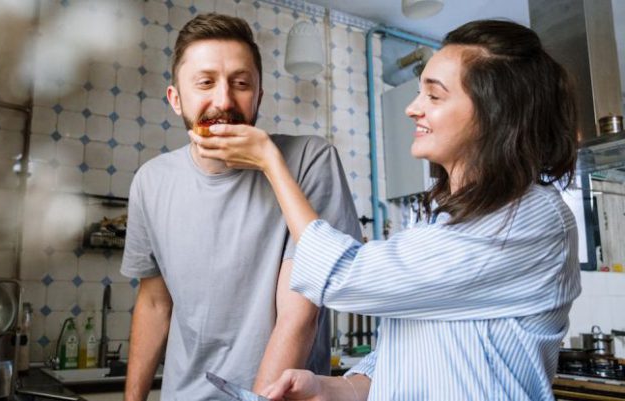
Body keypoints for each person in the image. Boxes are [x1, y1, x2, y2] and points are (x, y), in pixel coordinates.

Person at [190, 19, 581, 401]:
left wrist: (272, 164)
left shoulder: (532, 220)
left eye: (434, 96)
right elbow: (406, 357)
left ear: (494, 114)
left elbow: (345, 277)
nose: (412, 108)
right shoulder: (441, 217)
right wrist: (332, 388)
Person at [120, 13, 362, 401]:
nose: (224, 101)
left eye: (241, 83)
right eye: (205, 83)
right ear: (176, 99)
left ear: (259, 96)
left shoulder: (310, 160)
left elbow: (299, 316)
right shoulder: (150, 182)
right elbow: (153, 303)